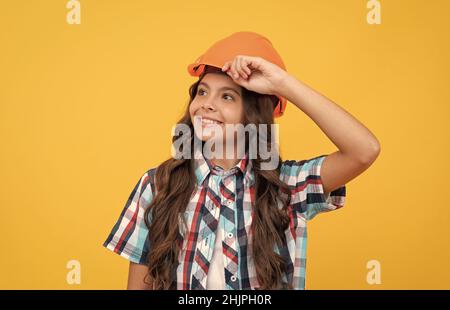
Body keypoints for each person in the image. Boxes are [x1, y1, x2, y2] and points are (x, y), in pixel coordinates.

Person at [103, 31, 381, 290]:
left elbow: (363, 150)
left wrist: (282, 84)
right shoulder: (157, 185)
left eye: (227, 96)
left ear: (252, 114)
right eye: (202, 91)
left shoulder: (287, 187)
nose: (207, 104)